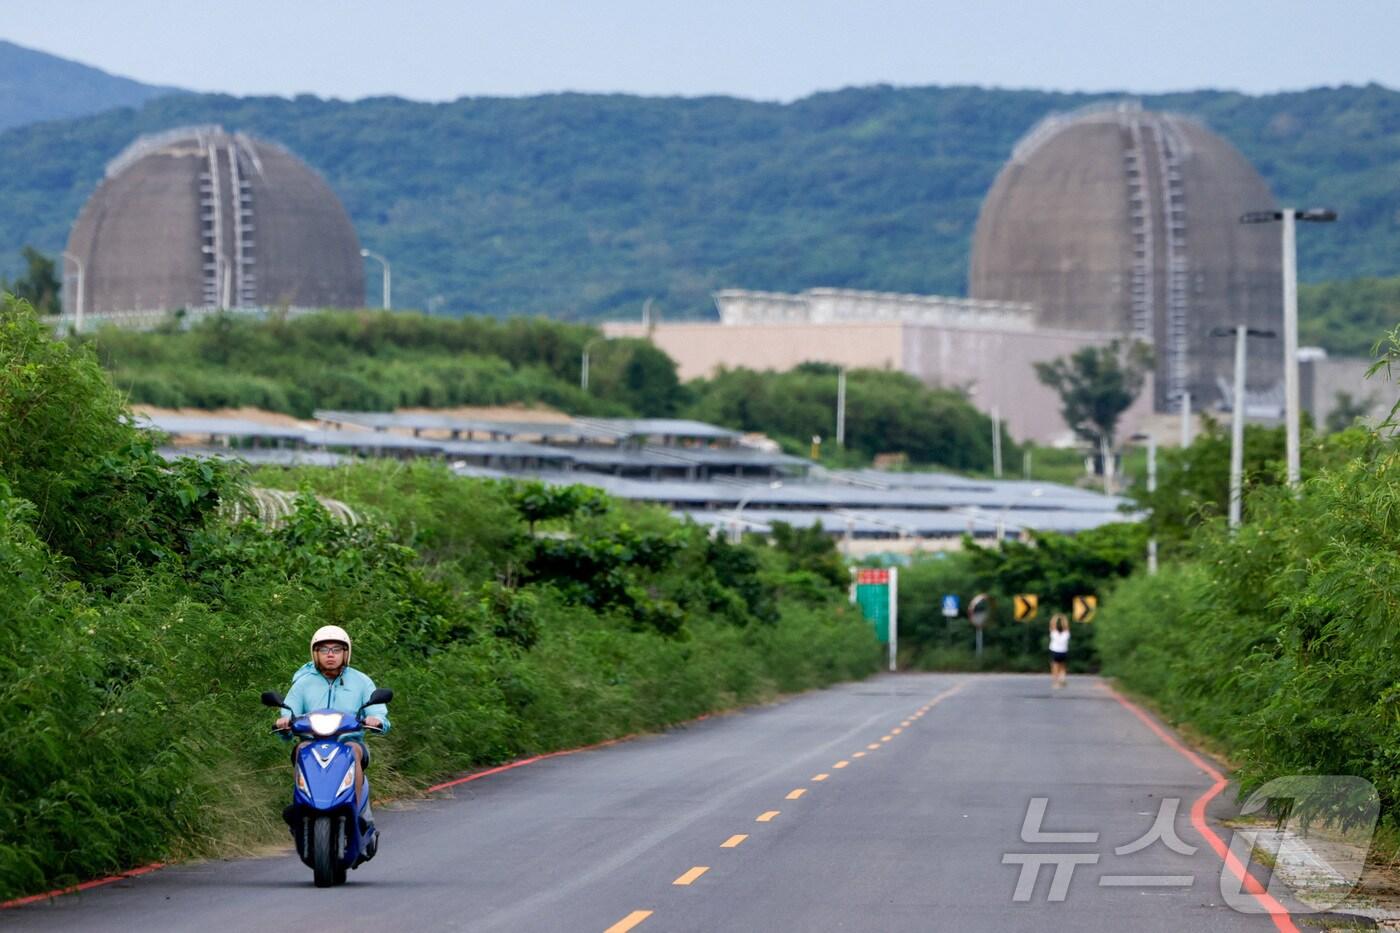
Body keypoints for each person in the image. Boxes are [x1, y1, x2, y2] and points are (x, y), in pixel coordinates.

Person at [275, 624, 390, 833]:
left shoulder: (361, 681)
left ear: (346, 653)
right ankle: (301, 810)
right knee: (301, 751)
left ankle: (355, 813)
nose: (330, 655)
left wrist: (375, 719)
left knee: (353, 752)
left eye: (336, 649)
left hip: (348, 741)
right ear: (314, 653)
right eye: (323, 650)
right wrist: (285, 721)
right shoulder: (303, 683)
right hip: (313, 741)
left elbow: (378, 711)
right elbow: (289, 711)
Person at [1048, 613, 1071, 689]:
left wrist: (1055, 617)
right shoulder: (1066, 634)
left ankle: (1056, 683)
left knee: (1054, 667)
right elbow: (1066, 626)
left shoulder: (1054, 634)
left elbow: (1052, 625)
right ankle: (1062, 679)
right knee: (1062, 667)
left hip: (1055, 651)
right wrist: (1063, 618)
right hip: (1063, 652)